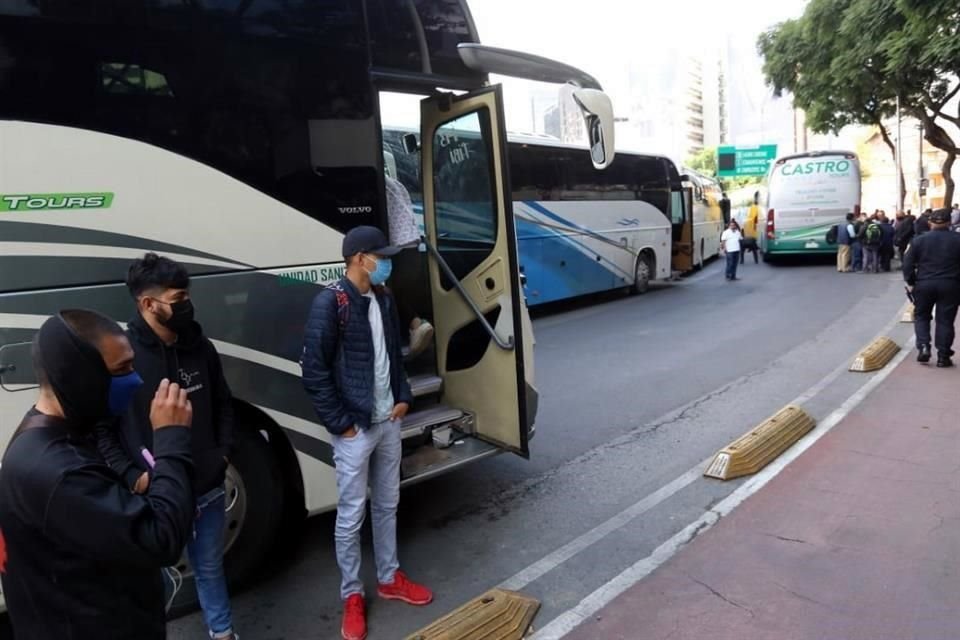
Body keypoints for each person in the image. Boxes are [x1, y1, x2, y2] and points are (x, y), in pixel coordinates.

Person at [0, 310, 194, 639]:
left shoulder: (51, 437)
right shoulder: (58, 471)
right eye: (121, 369)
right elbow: (161, 538)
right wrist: (171, 438)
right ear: (80, 377)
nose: (135, 380)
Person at [97, 254, 239, 640]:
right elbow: (104, 431)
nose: (186, 305)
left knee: (209, 567)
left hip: (208, 490)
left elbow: (224, 404)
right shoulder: (122, 359)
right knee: (153, 577)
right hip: (153, 498)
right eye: (178, 298)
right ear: (147, 304)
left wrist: (221, 455)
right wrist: (135, 478)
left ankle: (223, 633)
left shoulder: (200, 346)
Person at [301, 226, 432, 640]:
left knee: (388, 503)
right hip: (355, 428)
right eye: (382, 256)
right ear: (360, 258)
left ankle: (390, 578)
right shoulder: (331, 303)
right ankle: (352, 594)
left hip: (388, 420)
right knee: (351, 513)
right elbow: (314, 372)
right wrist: (341, 422)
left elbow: (395, 354)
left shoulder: (385, 298)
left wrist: (404, 395)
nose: (387, 263)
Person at [903, 208, 960, 367]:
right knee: (945, 321)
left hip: (924, 283)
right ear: (950, 222)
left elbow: (907, 265)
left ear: (930, 223)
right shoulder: (958, 239)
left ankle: (923, 347)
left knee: (921, 316)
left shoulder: (918, 240)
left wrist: (911, 282)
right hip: (951, 284)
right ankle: (943, 356)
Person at [385, 174, 434, 358]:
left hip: (399, 249)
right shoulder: (395, 183)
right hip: (413, 248)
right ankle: (416, 326)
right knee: (402, 293)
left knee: (392, 294)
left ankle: (416, 325)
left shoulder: (380, 183)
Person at [740, 198, 760, 265]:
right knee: (754, 250)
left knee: (742, 250)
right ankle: (756, 260)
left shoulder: (747, 216)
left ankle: (742, 260)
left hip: (745, 240)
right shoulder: (755, 210)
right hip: (752, 239)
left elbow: (742, 231)